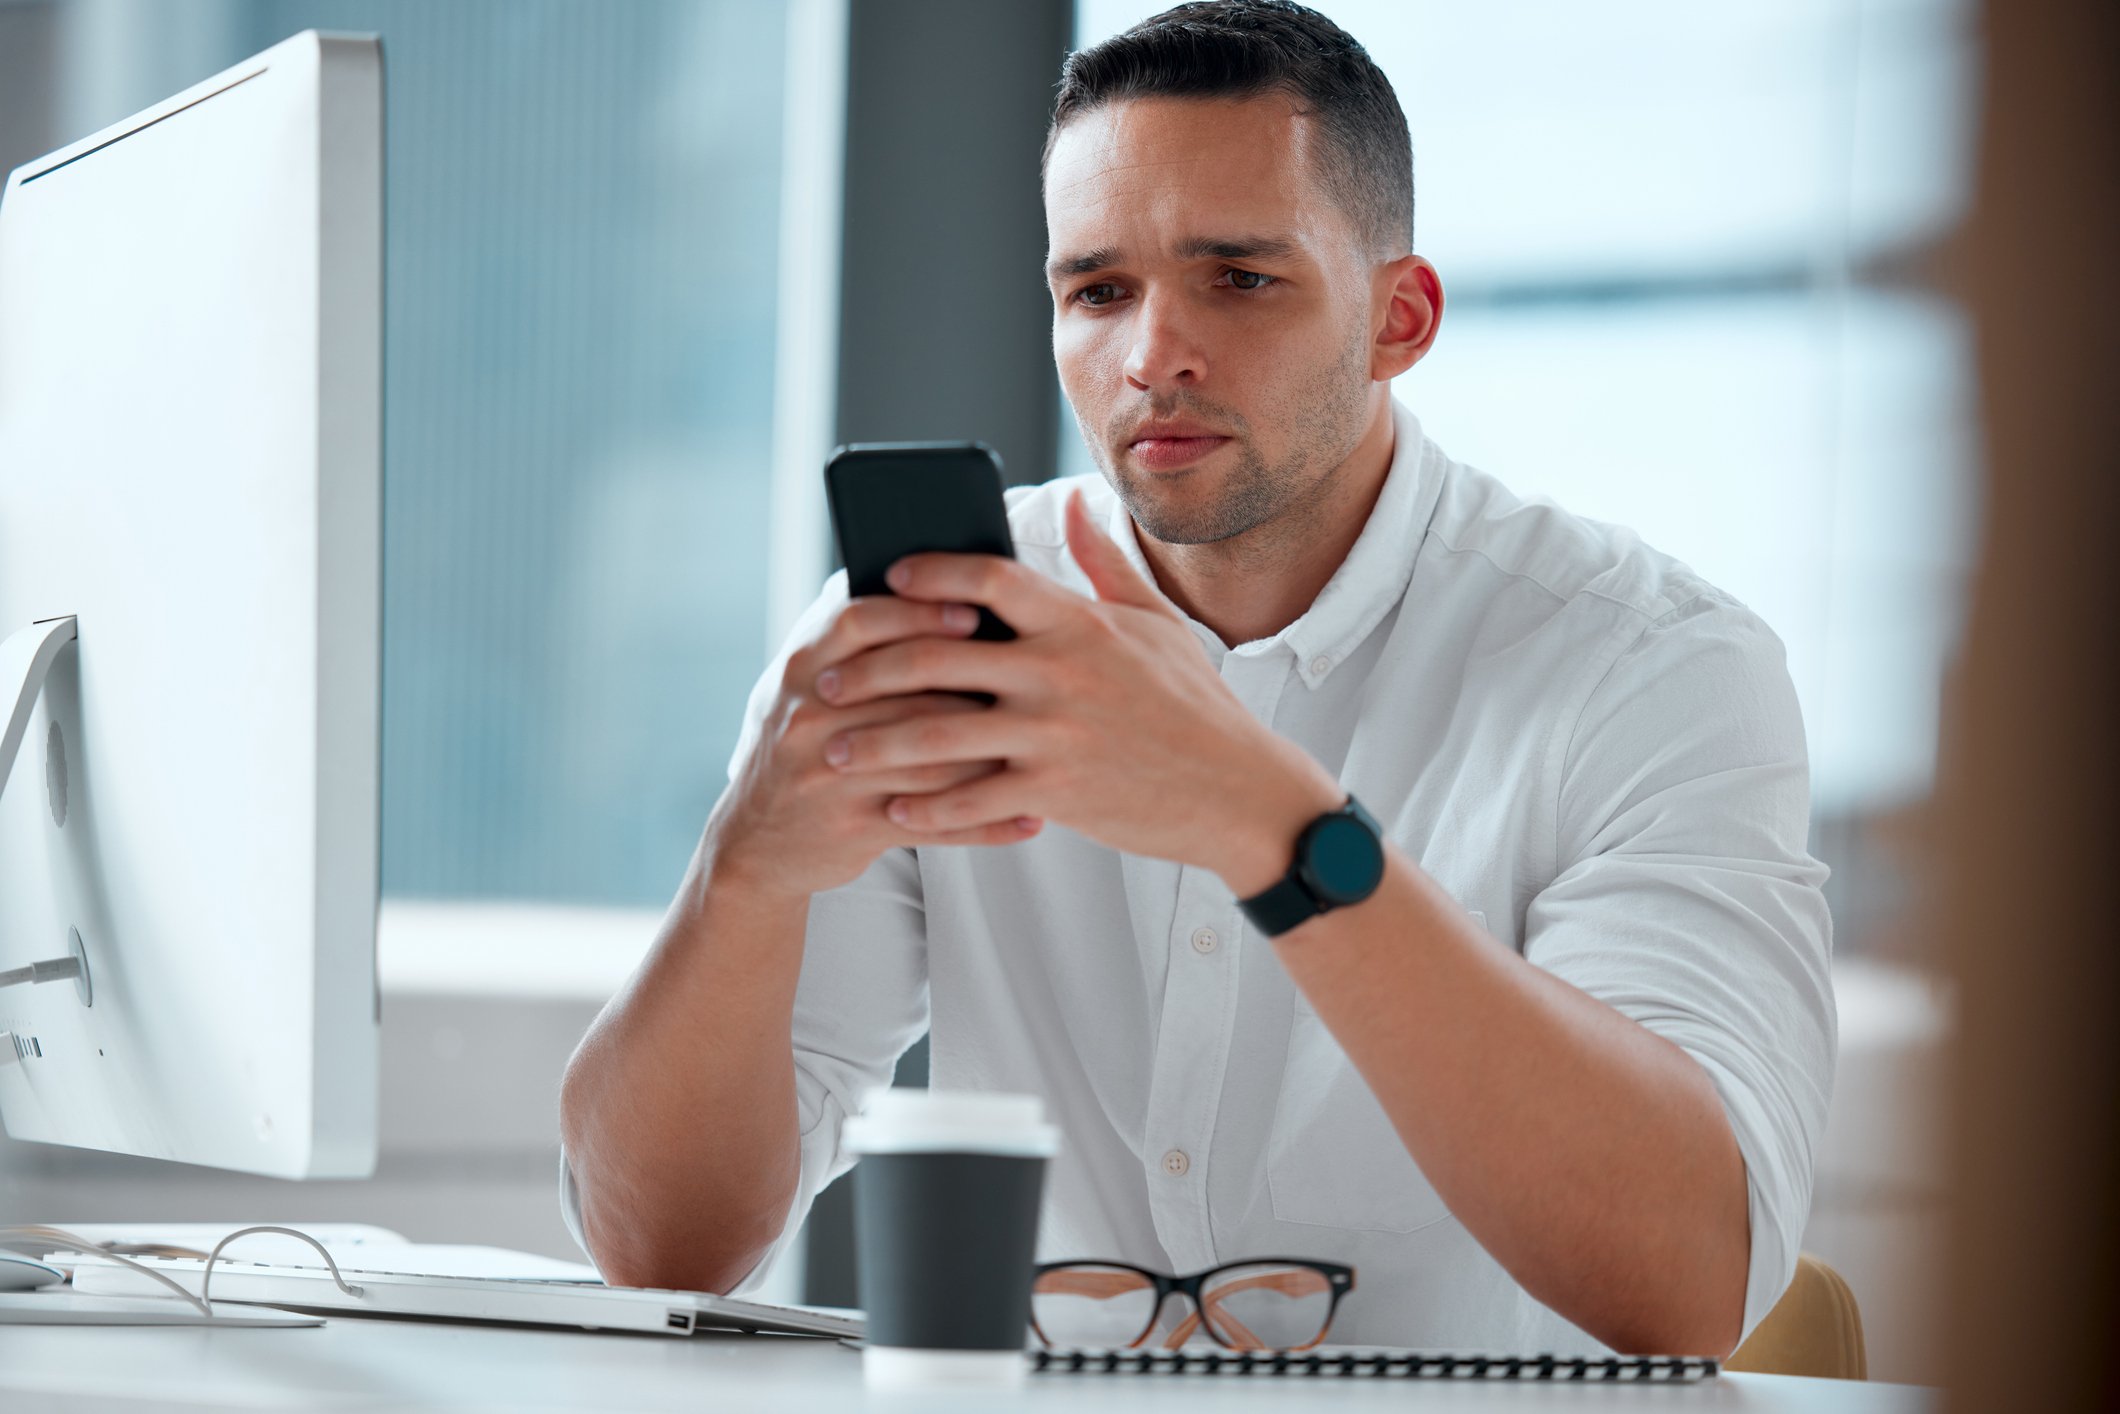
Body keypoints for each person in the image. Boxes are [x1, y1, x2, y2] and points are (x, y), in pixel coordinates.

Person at [557, 0, 1833, 1358]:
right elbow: (660, 1249)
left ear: (1398, 319)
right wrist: (740, 874)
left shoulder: (1657, 669)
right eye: (1098, 290)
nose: (1150, 353)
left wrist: (1262, 821)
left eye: (1239, 278)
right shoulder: (937, 636)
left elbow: (1690, 1275)